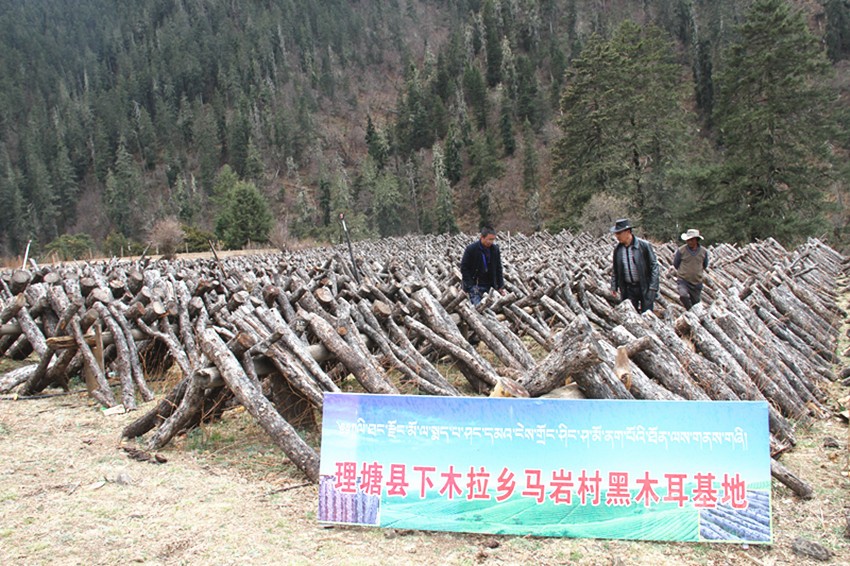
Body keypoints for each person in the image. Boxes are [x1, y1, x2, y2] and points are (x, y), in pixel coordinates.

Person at [609, 218, 660, 313]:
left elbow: (654, 267)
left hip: (645, 286)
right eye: (616, 233)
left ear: (628, 232)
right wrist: (614, 286)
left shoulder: (644, 246)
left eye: (619, 233)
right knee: (631, 314)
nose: (617, 236)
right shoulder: (618, 250)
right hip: (628, 289)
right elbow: (615, 269)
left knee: (647, 314)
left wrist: (653, 288)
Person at [460, 226, 507, 306]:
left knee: (496, 306)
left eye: (493, 239)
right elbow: (464, 268)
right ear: (482, 237)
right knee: (478, 307)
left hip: (490, 285)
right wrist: (471, 285)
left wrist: (500, 286)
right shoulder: (471, 249)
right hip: (475, 285)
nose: (491, 242)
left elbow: (498, 268)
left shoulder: (495, 249)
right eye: (489, 239)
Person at [673, 228, 709, 310]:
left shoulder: (703, 252)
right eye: (688, 240)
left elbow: (705, 265)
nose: (689, 242)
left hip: (697, 282)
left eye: (691, 240)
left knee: (696, 303)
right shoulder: (681, 250)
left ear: (696, 240)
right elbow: (676, 264)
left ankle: (692, 312)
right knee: (683, 295)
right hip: (683, 280)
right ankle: (689, 310)